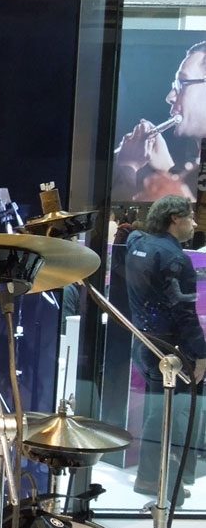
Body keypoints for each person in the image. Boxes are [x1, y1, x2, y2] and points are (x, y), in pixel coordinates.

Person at [125, 195, 206, 504]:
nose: (195, 223)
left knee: (158, 410)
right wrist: (202, 354)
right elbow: (185, 315)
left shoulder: (138, 245)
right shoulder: (176, 260)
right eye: (190, 217)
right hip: (168, 349)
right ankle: (157, 480)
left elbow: (132, 235)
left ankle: (150, 476)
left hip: (144, 342)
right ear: (175, 218)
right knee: (170, 414)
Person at [112, 39, 206, 203]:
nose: (170, 97)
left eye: (183, 83)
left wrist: (128, 168)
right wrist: (166, 169)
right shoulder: (196, 170)